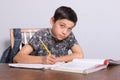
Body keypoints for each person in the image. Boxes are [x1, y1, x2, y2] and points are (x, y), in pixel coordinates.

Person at [13, 6, 84, 64]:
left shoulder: (69, 35)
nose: (65, 32)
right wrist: (42, 59)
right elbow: (17, 58)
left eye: (69, 29)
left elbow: (80, 55)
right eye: (62, 26)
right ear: (52, 21)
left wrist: (57, 59)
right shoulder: (41, 35)